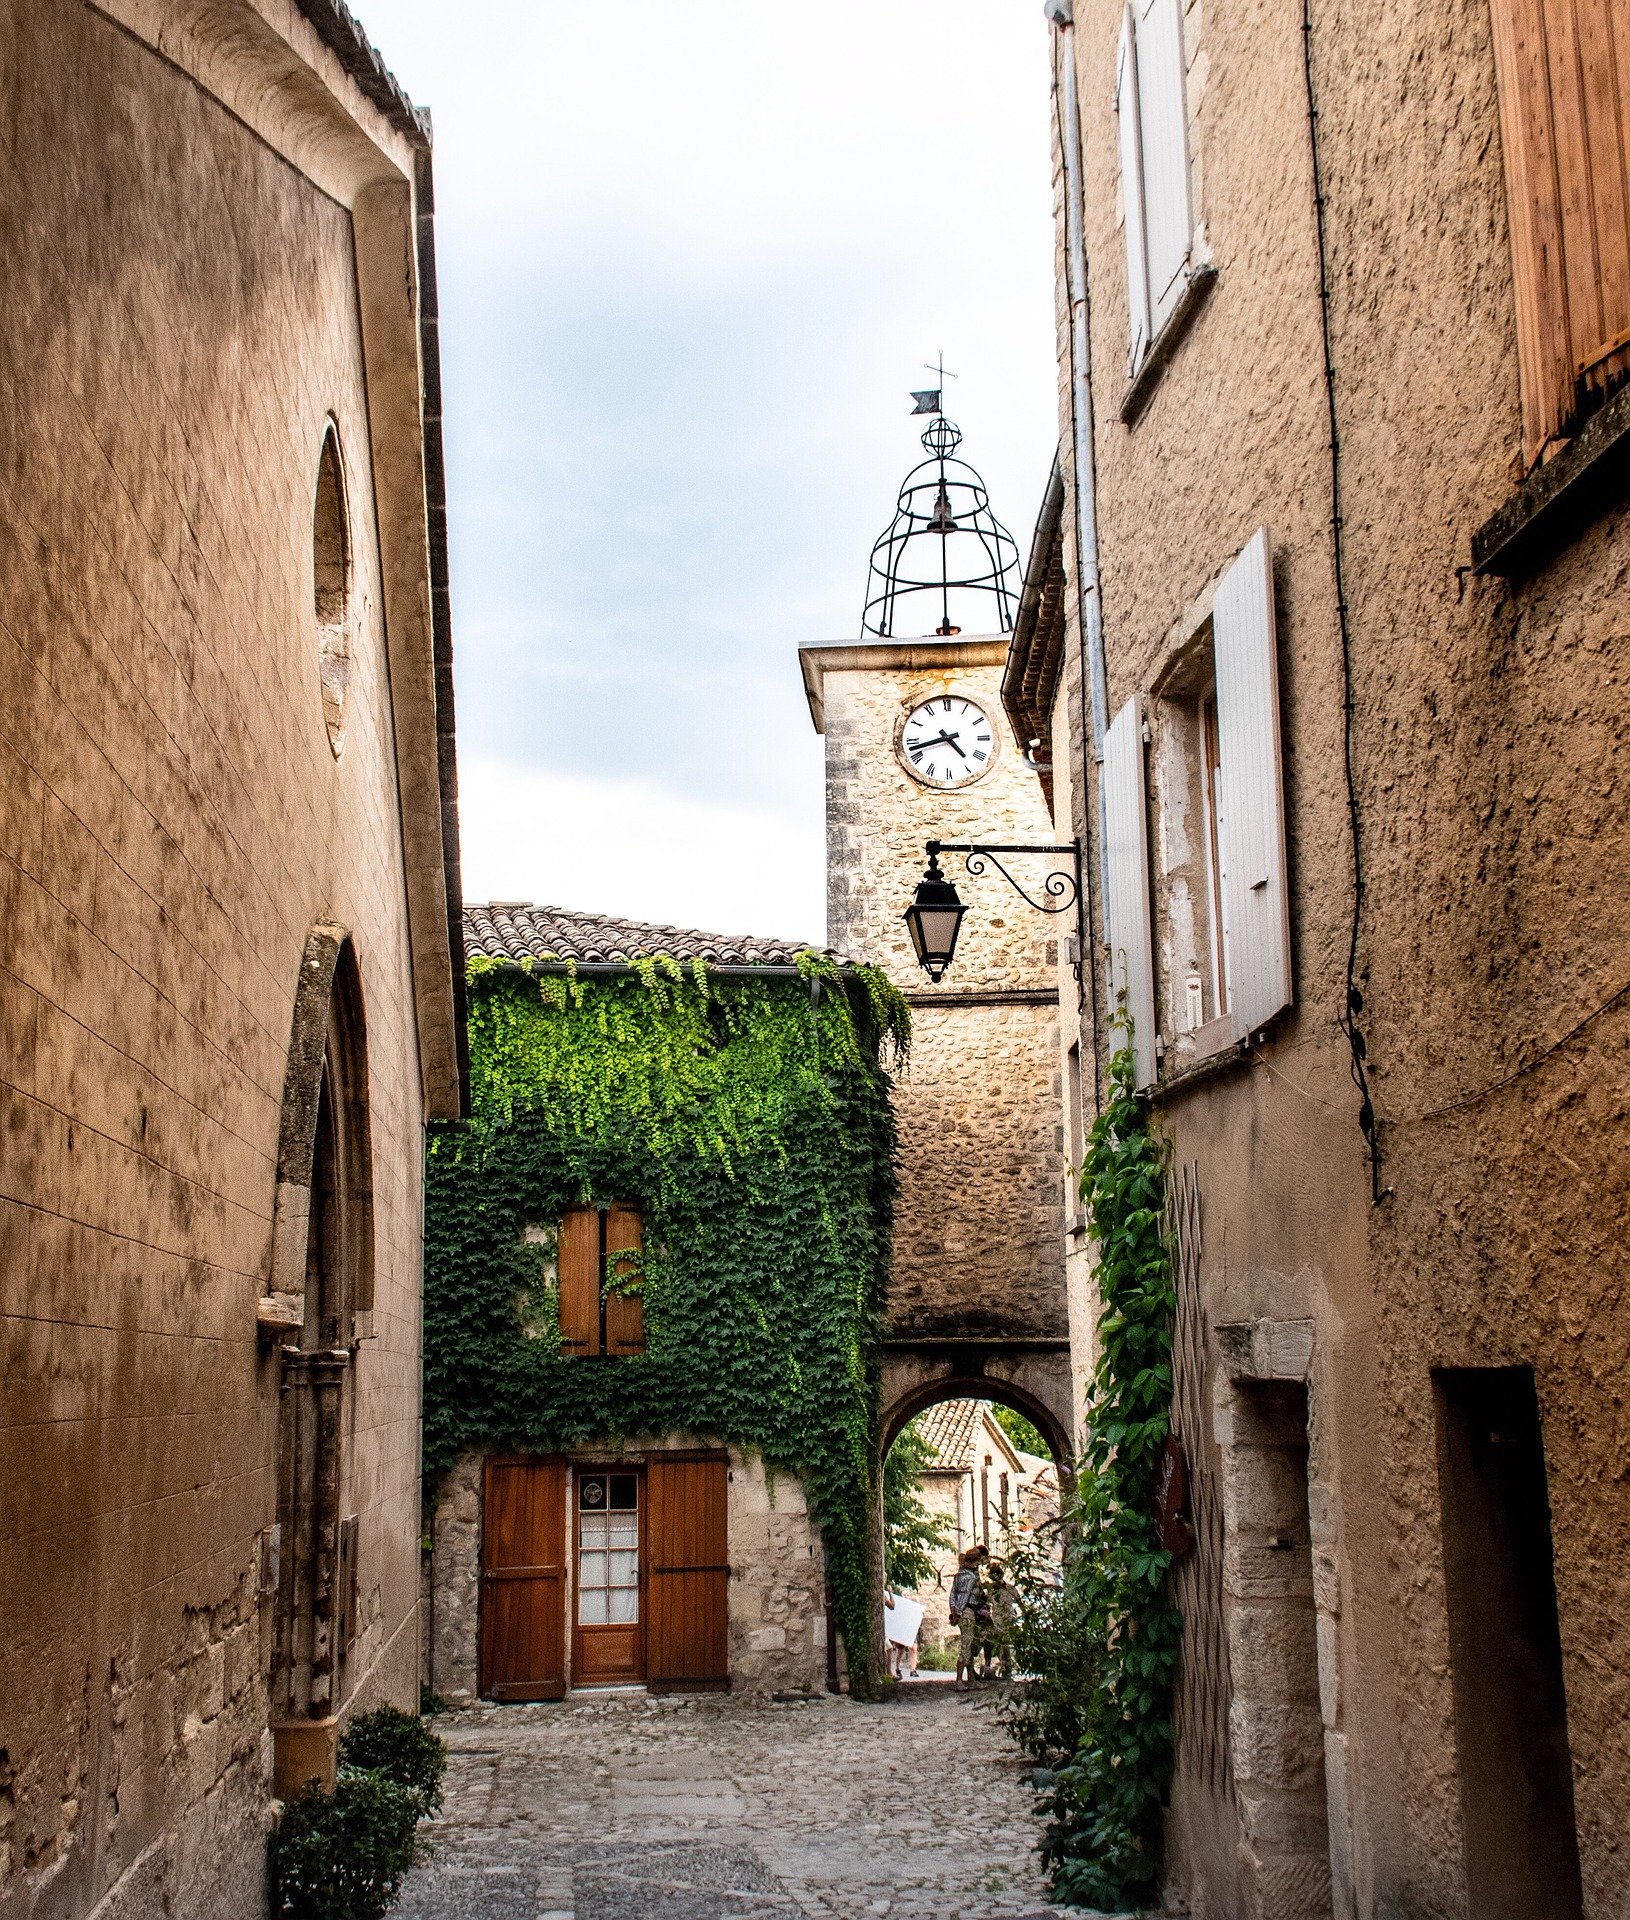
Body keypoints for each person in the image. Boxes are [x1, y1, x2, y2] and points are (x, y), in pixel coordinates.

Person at [948, 1545, 990, 1690]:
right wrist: (958, 1612)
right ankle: (959, 1681)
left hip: (963, 1612)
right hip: (968, 1613)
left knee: (970, 1647)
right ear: (975, 1562)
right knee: (966, 1647)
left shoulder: (959, 1575)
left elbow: (952, 1594)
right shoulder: (970, 1577)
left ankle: (971, 1679)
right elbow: (964, 1596)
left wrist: (953, 1610)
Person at [983, 1560, 1017, 1681]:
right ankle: (988, 1668)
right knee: (989, 1642)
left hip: (1007, 1620)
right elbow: (987, 1604)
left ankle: (1007, 1670)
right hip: (996, 1621)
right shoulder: (991, 1591)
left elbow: (1019, 1602)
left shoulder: (1010, 1588)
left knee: (1004, 1644)